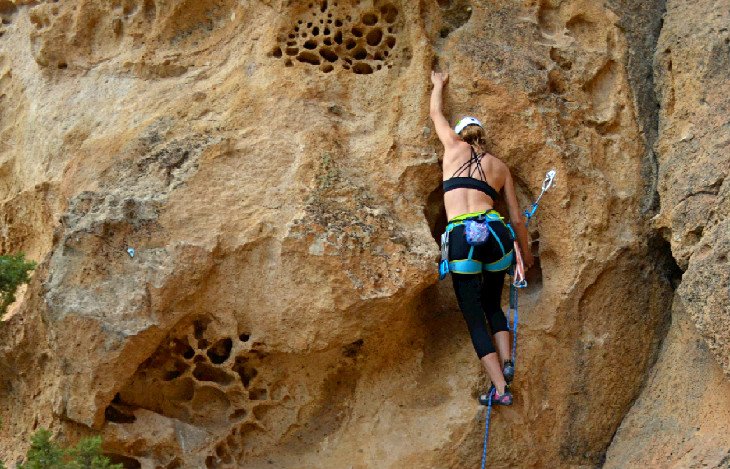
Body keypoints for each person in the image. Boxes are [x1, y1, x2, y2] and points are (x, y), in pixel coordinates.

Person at [429, 70, 534, 405]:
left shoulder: (451, 147)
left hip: (461, 237)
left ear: (460, 135)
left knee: (474, 314)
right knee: (492, 301)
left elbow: (435, 114)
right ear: (483, 137)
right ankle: (507, 361)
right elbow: (516, 217)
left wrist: (438, 86)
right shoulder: (500, 167)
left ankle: (501, 391)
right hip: (496, 235)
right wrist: (527, 257)